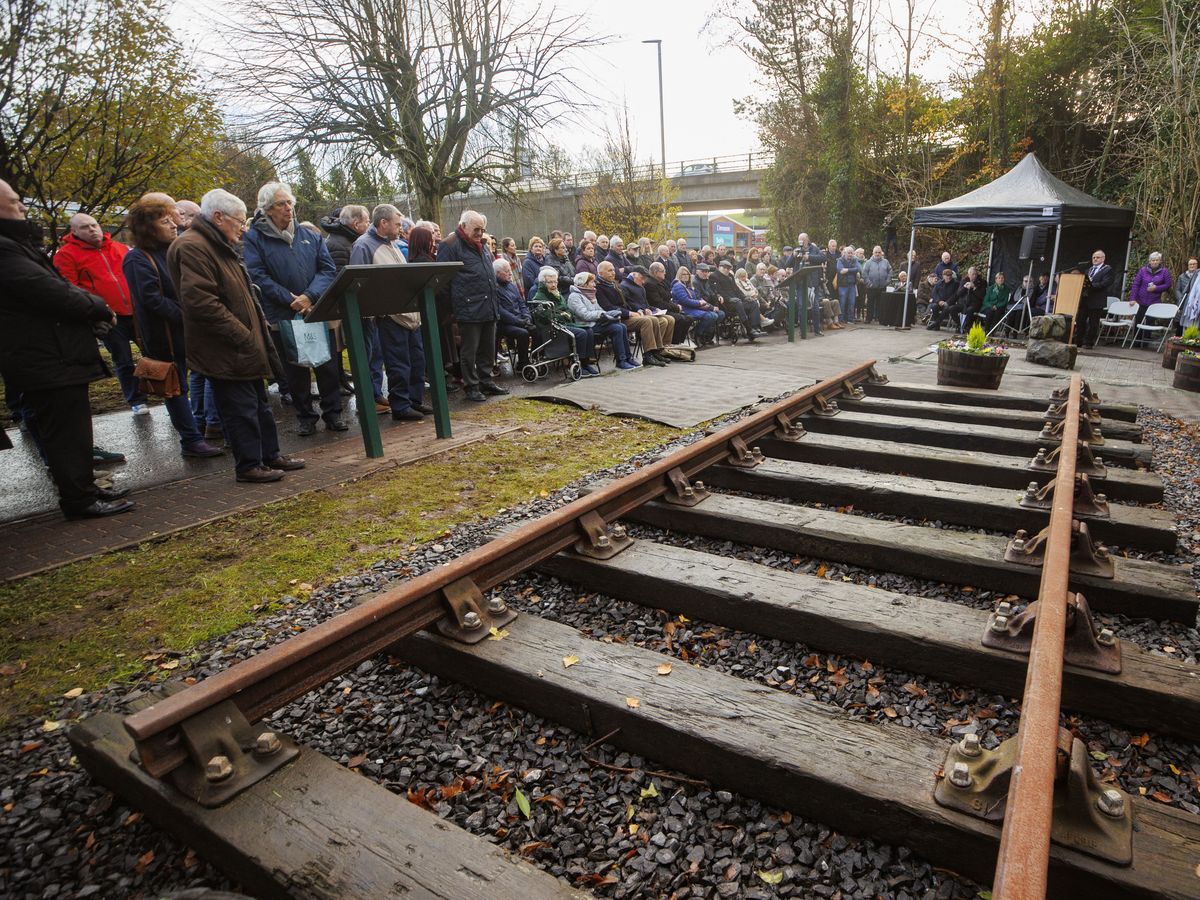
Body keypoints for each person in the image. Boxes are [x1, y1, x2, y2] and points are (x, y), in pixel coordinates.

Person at [0, 178, 134, 517]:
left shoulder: (17, 246)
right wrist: (99, 307)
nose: (23, 207)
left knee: (74, 429)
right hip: (45, 357)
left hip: (55, 354)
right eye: (15, 202)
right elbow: (51, 290)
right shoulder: (5, 250)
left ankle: (85, 489)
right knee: (63, 432)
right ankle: (78, 499)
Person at [168, 188, 305, 484]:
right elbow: (202, 303)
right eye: (239, 222)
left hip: (245, 343)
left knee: (259, 406)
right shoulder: (193, 246)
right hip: (226, 347)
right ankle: (249, 465)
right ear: (218, 217)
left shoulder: (219, 244)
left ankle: (270, 455)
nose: (242, 228)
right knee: (239, 409)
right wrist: (242, 335)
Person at [122, 193, 223, 458]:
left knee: (204, 377)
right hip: (164, 335)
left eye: (172, 220)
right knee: (176, 387)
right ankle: (191, 440)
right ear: (148, 227)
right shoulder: (138, 259)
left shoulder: (173, 249)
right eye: (165, 221)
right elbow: (151, 299)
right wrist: (188, 315)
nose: (173, 225)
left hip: (188, 329)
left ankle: (205, 425)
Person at [243, 183, 345, 436]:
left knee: (328, 365)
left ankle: (333, 413)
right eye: (281, 204)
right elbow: (257, 274)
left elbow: (327, 269)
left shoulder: (308, 235)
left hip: (315, 311)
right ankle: (306, 416)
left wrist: (309, 296)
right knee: (295, 370)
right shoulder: (255, 238)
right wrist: (290, 298)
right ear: (267, 209)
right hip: (284, 314)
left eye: (289, 203)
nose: (288, 208)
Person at [53, 212, 148, 415]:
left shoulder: (118, 248)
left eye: (94, 225)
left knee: (152, 352)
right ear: (74, 231)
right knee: (123, 359)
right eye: (85, 227)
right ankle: (137, 400)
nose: (92, 229)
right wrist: (97, 310)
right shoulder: (66, 255)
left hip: (136, 311)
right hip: (108, 316)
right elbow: (69, 287)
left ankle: (165, 391)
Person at [350, 205, 430, 422]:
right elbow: (358, 284)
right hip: (389, 317)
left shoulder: (394, 244)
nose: (400, 227)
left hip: (410, 316)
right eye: (397, 223)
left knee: (417, 361)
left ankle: (414, 400)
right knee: (399, 363)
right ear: (383, 223)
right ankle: (401, 405)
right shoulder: (364, 246)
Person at [436, 210, 508, 401]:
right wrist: (452, 309)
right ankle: (471, 386)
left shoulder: (482, 245)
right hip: (468, 308)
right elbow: (443, 282)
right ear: (464, 225)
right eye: (476, 229)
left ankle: (486, 381)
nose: (480, 233)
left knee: (487, 348)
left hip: (488, 305)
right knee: (470, 350)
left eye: (482, 229)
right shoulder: (449, 245)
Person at [319, 205, 377, 401]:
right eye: (367, 221)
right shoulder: (339, 245)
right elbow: (340, 281)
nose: (369, 225)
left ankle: (370, 394)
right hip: (353, 311)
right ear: (356, 223)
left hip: (360, 309)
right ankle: (367, 398)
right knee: (362, 353)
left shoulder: (347, 241)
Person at [596, 260, 668, 365]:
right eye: (609, 270)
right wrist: (629, 313)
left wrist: (639, 310)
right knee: (647, 321)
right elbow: (608, 308)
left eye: (613, 270)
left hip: (625, 314)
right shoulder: (599, 288)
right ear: (601, 273)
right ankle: (648, 355)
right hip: (616, 319)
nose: (613, 273)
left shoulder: (613, 284)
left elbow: (627, 302)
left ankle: (656, 352)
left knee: (654, 319)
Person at [531, 266, 598, 376]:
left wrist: (564, 314)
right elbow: (547, 316)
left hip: (564, 323)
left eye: (555, 282)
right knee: (581, 334)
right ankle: (579, 364)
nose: (553, 285)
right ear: (543, 283)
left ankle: (585, 362)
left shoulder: (557, 294)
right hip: (552, 327)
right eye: (549, 282)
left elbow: (567, 310)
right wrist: (563, 315)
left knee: (589, 330)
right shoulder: (539, 296)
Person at [568, 271, 637, 370]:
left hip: (596, 322)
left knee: (622, 326)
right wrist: (600, 314)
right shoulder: (575, 297)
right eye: (592, 282)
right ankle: (621, 360)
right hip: (586, 325)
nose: (594, 284)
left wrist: (609, 314)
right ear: (584, 284)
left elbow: (599, 309)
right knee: (617, 328)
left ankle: (627, 358)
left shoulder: (591, 294)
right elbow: (584, 315)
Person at [620, 267, 677, 362]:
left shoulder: (641, 287)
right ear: (635, 275)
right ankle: (651, 352)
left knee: (670, 319)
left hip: (643, 313)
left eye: (645, 279)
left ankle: (663, 349)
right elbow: (628, 304)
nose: (644, 281)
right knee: (658, 320)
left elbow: (646, 304)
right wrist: (641, 309)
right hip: (635, 314)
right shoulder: (624, 286)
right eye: (642, 278)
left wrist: (654, 309)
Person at [495, 258, 535, 371]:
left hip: (519, 319)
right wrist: (519, 322)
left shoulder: (512, 286)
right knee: (523, 333)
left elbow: (522, 304)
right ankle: (523, 363)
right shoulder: (495, 288)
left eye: (510, 271)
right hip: (504, 323)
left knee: (536, 330)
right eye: (507, 271)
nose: (510, 274)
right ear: (498, 273)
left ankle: (535, 357)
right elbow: (501, 311)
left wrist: (527, 317)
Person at [713, 258, 764, 339]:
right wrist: (729, 299)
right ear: (719, 267)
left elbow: (737, 289)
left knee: (753, 303)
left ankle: (755, 327)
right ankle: (748, 329)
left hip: (737, 301)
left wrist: (745, 297)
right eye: (724, 268)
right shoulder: (714, 276)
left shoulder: (730, 276)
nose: (726, 270)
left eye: (728, 268)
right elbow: (718, 291)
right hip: (726, 303)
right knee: (738, 303)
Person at [674, 265, 724, 346]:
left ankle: (706, 335)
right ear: (679, 275)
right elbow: (685, 301)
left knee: (719, 314)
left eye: (687, 274)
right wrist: (701, 303)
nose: (686, 276)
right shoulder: (678, 286)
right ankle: (697, 334)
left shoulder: (688, 286)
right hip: (686, 308)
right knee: (711, 316)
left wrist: (713, 302)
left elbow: (700, 297)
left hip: (695, 307)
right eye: (683, 274)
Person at [1128, 251, 1173, 339]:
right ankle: (1136, 342)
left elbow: (1168, 285)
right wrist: (1132, 298)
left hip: (1154, 302)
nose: (1155, 262)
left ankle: (1145, 342)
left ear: (1160, 261)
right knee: (1138, 321)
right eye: (1153, 260)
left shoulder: (1164, 271)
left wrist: (1156, 288)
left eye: (1157, 260)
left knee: (1149, 322)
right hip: (1140, 300)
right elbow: (1136, 284)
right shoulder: (1143, 270)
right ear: (1149, 261)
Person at [646, 261, 690, 344]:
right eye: (663, 271)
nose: (665, 273)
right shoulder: (650, 284)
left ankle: (679, 342)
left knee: (688, 318)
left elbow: (669, 297)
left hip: (667, 307)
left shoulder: (661, 282)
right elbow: (658, 303)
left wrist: (675, 306)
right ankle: (674, 343)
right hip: (658, 310)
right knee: (680, 319)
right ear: (655, 272)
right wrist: (676, 308)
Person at [1080, 250, 1116, 348]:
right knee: (1080, 320)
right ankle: (1078, 340)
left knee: (1093, 323)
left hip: (1097, 300)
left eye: (1097, 257)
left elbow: (1106, 283)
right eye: (1094, 257)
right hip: (1085, 299)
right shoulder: (1089, 269)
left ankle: (1088, 343)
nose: (1095, 259)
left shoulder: (1107, 269)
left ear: (1103, 258)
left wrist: (1091, 285)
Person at [861, 245, 892, 324]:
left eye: (879, 252)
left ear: (881, 253)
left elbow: (890, 271)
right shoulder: (868, 262)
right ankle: (869, 318)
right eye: (876, 252)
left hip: (882, 286)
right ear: (873, 253)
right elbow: (864, 274)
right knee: (870, 304)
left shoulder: (886, 261)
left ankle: (880, 318)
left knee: (881, 304)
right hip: (871, 287)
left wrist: (887, 281)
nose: (877, 254)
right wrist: (869, 283)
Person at [836, 247, 862, 324]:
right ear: (845, 253)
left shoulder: (854, 260)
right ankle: (841, 319)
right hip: (843, 285)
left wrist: (847, 270)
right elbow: (840, 270)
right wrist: (852, 270)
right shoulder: (840, 260)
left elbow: (859, 268)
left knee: (852, 302)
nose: (850, 254)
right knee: (842, 303)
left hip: (852, 285)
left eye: (851, 253)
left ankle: (850, 319)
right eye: (848, 253)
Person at [1177, 257, 1200, 331]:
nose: (1192, 266)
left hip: (1195, 303)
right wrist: (1181, 298)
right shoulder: (1182, 276)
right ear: (1188, 265)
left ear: (1197, 265)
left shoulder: (1198, 275)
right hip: (1184, 302)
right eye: (1190, 264)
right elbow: (1177, 289)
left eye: (1194, 264)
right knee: (1183, 322)